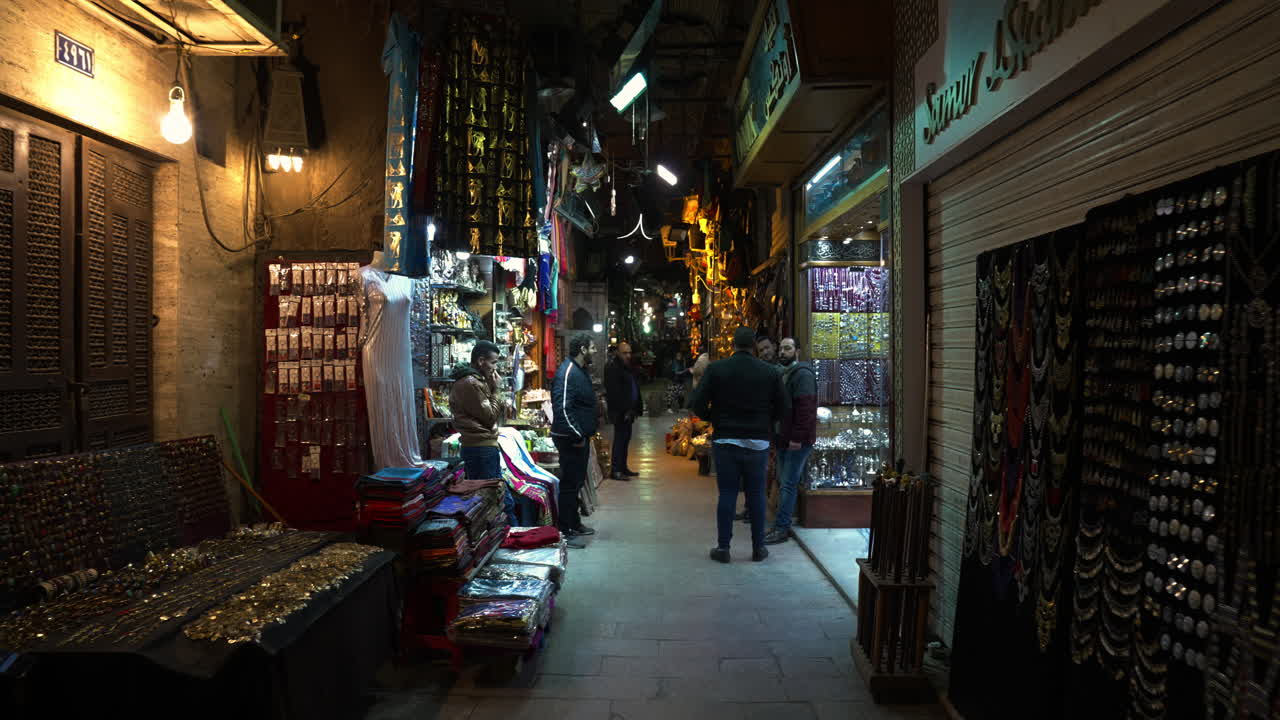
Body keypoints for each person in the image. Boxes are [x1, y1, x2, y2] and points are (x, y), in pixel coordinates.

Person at [690, 327, 785, 563]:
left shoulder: (716, 369)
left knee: (727, 494)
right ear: (754, 346)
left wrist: (714, 418)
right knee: (756, 495)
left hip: (726, 440)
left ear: (733, 345)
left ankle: (723, 548)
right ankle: (758, 548)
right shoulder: (770, 372)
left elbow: (697, 402)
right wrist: (765, 422)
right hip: (757, 443)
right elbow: (784, 407)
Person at [449, 340, 516, 524]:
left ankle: (507, 533)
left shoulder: (475, 381)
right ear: (480, 361)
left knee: (494, 499)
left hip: (480, 447)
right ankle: (511, 535)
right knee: (496, 500)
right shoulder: (471, 383)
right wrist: (497, 389)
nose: (495, 368)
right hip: (480, 448)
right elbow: (490, 416)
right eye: (493, 362)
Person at [765, 337, 818, 544]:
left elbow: (806, 410)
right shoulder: (782, 373)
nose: (782, 352)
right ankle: (781, 523)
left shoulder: (803, 375)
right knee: (784, 481)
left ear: (797, 351)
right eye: (781, 348)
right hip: (783, 437)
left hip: (796, 441)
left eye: (787, 348)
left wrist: (797, 438)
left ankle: (782, 528)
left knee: (788, 483)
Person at [551, 332, 599, 548]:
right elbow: (562, 408)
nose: (595, 351)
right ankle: (564, 530)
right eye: (592, 348)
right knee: (570, 484)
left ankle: (573, 522)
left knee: (577, 482)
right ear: (582, 349)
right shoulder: (568, 372)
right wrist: (576, 434)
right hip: (570, 439)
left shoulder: (579, 370)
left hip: (579, 437)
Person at [604, 341, 642, 480]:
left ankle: (623, 467)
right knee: (620, 439)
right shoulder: (613, 367)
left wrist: (634, 408)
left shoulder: (626, 367)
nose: (628, 355)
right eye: (625, 353)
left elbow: (631, 387)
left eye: (629, 353)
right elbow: (614, 393)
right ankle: (616, 470)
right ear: (618, 353)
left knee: (625, 439)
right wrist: (624, 410)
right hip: (620, 412)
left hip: (628, 412)